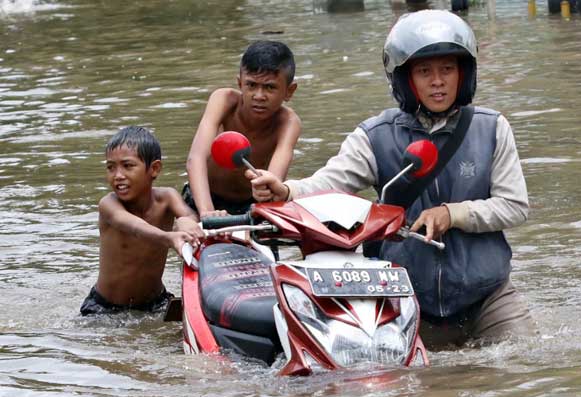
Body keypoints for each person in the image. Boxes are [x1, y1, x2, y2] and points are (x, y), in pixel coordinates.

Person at [249, 10, 535, 347]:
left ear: (464, 73)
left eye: (447, 69)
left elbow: (514, 206)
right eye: (424, 71)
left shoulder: (491, 128)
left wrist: (453, 214)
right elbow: (330, 183)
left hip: (488, 297)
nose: (438, 81)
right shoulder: (375, 135)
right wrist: (286, 189)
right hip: (406, 299)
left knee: (524, 363)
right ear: (404, 79)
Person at [81, 126, 203, 316]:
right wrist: (169, 237)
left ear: (154, 169)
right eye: (111, 167)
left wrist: (186, 221)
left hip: (156, 302)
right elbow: (137, 227)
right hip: (105, 308)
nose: (118, 175)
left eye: (127, 166)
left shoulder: (167, 198)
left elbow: (190, 217)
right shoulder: (108, 204)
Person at [185, 40, 301, 219]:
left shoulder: (288, 122)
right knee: (184, 226)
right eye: (251, 85)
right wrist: (207, 212)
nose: (259, 96)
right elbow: (196, 158)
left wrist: (265, 199)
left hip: (250, 206)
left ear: (289, 91)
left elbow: (273, 181)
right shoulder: (223, 100)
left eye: (270, 87)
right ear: (240, 84)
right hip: (203, 198)